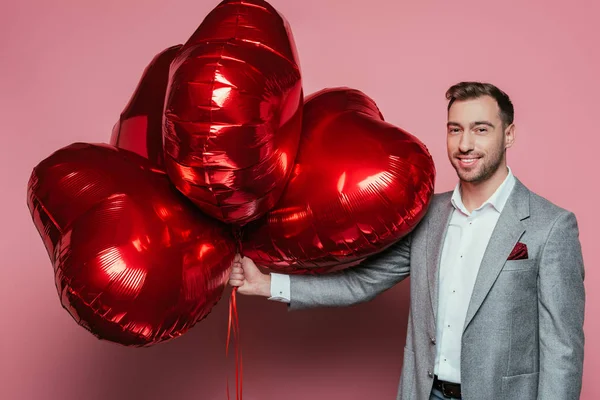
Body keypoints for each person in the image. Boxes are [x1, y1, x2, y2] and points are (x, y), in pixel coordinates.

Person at [228, 82, 585, 400]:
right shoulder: (428, 216)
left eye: (481, 129)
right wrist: (266, 284)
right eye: (455, 129)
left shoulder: (550, 226)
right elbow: (361, 282)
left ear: (508, 135)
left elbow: (562, 349)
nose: (465, 144)